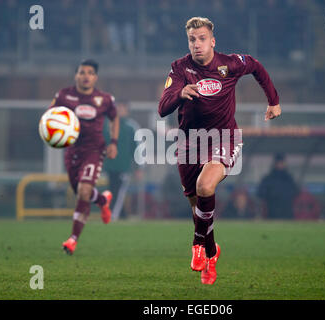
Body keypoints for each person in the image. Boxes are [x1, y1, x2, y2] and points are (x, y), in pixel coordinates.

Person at [158, 17, 280, 285]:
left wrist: (273, 101)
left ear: (212, 41)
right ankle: (211, 254)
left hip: (225, 138)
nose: (197, 44)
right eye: (192, 40)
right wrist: (179, 94)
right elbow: (162, 107)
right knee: (197, 209)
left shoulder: (231, 63)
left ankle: (197, 247)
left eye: (202, 39)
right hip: (190, 143)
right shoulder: (179, 68)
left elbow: (256, 66)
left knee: (205, 186)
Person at [49, 59, 119, 255]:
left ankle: (72, 239)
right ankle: (103, 201)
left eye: (89, 73)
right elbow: (49, 115)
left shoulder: (104, 99)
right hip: (71, 151)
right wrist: (51, 132)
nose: (85, 76)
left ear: (95, 77)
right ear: (76, 75)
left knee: (84, 190)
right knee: (82, 193)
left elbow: (115, 118)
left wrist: (113, 142)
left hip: (94, 151)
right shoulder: (64, 95)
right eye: (82, 72)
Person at [102, 101, 141, 221]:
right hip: (109, 165)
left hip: (124, 167)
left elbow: (137, 148)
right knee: (111, 190)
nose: (120, 110)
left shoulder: (131, 126)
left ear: (127, 111)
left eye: (122, 108)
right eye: (118, 108)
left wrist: (139, 168)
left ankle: (112, 216)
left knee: (119, 193)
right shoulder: (106, 125)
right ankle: (121, 215)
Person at [257, 153, 298, 219]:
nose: (280, 165)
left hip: (287, 212)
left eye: (282, 163)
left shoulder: (289, 179)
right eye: (279, 163)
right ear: (275, 164)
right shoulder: (268, 179)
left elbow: (295, 192)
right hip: (272, 211)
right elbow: (260, 193)